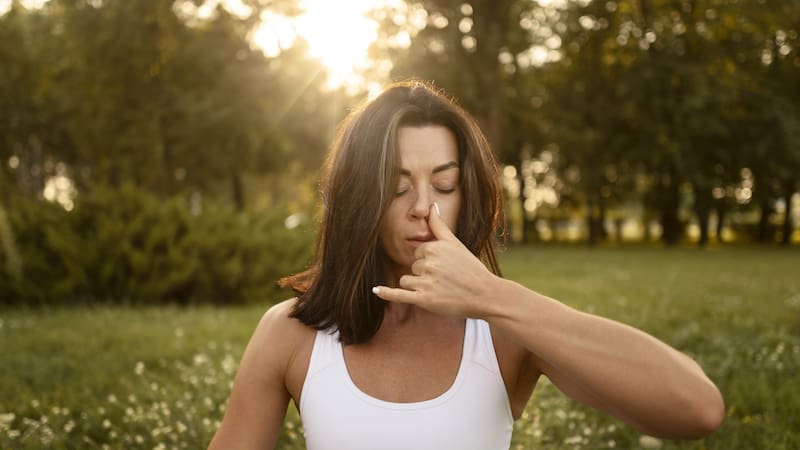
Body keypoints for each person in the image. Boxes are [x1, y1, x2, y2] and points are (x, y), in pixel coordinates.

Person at [207, 81, 724, 450]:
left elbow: (697, 409)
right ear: (359, 195)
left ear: (466, 193)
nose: (423, 206)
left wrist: (492, 296)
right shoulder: (291, 334)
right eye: (396, 184)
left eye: (444, 185)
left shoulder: (504, 333)